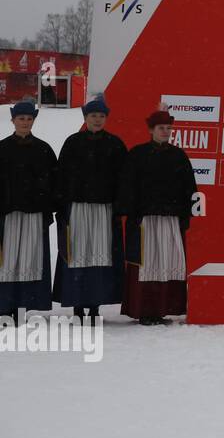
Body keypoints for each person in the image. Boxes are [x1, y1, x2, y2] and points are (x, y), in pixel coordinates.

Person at [117, 108, 197, 325]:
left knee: (167, 262)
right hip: (146, 220)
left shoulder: (178, 155)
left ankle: (163, 309)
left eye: (169, 128)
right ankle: (144, 309)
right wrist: (132, 213)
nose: (166, 132)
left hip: (170, 219)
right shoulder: (137, 154)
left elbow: (190, 187)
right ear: (151, 130)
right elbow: (127, 186)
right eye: (161, 128)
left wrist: (188, 213)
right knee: (147, 264)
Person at [53, 96, 128, 319]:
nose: (97, 119)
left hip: (103, 210)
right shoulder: (72, 142)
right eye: (93, 116)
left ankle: (95, 304)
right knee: (77, 256)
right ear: (86, 118)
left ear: (106, 119)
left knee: (99, 257)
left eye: (101, 116)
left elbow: (123, 179)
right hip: (77, 209)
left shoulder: (115, 145)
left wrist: (118, 206)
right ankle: (77, 303)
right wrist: (62, 205)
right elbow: (61, 176)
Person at [0, 102, 57, 319]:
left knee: (30, 260)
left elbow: (53, 182)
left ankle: (25, 304)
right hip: (7, 214)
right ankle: (5, 305)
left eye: (29, 118)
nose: (25, 122)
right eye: (21, 118)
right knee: (7, 260)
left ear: (34, 120)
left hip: (34, 213)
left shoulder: (43, 149)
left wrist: (46, 207)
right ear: (13, 120)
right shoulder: (2, 148)